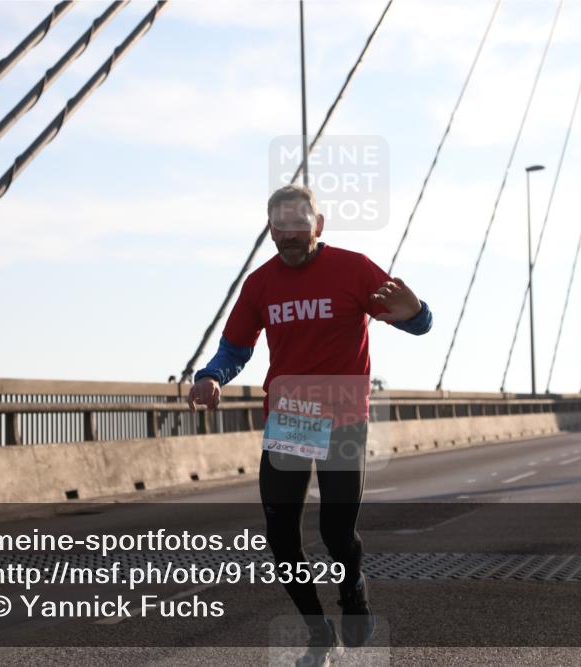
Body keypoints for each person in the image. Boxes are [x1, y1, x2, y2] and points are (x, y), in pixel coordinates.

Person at [188, 185, 432, 666]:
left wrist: (418, 312)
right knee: (281, 538)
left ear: (317, 226)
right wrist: (210, 376)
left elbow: (415, 322)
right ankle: (318, 633)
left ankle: (354, 587)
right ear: (270, 230)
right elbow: (236, 347)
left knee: (337, 532)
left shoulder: (353, 268)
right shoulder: (260, 284)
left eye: (299, 224)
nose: (289, 235)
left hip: (343, 418)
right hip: (291, 419)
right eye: (280, 226)